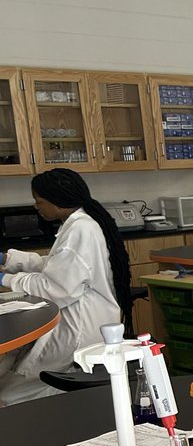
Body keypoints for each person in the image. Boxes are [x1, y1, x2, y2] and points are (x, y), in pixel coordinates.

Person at [0, 168, 130, 405]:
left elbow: (57, 288)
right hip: (86, 321)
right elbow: (56, 264)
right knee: (12, 367)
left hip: (77, 330)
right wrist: (8, 261)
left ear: (58, 203)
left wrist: (5, 280)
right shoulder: (81, 223)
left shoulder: (80, 229)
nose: (36, 207)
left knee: (9, 395)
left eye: (39, 201)